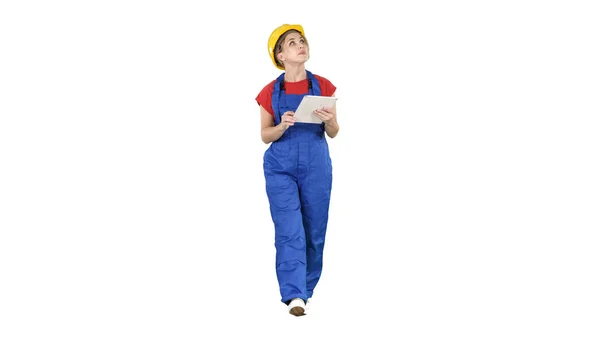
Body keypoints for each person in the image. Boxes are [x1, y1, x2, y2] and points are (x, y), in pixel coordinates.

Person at [255, 24, 339, 316]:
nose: (300, 45)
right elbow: (264, 134)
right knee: (290, 231)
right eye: (292, 43)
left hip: (316, 166)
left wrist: (328, 120)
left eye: (302, 40)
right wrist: (281, 126)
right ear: (280, 55)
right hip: (281, 168)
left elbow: (335, 131)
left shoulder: (324, 87)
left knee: (314, 231)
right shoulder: (269, 92)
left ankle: (306, 289)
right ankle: (294, 295)